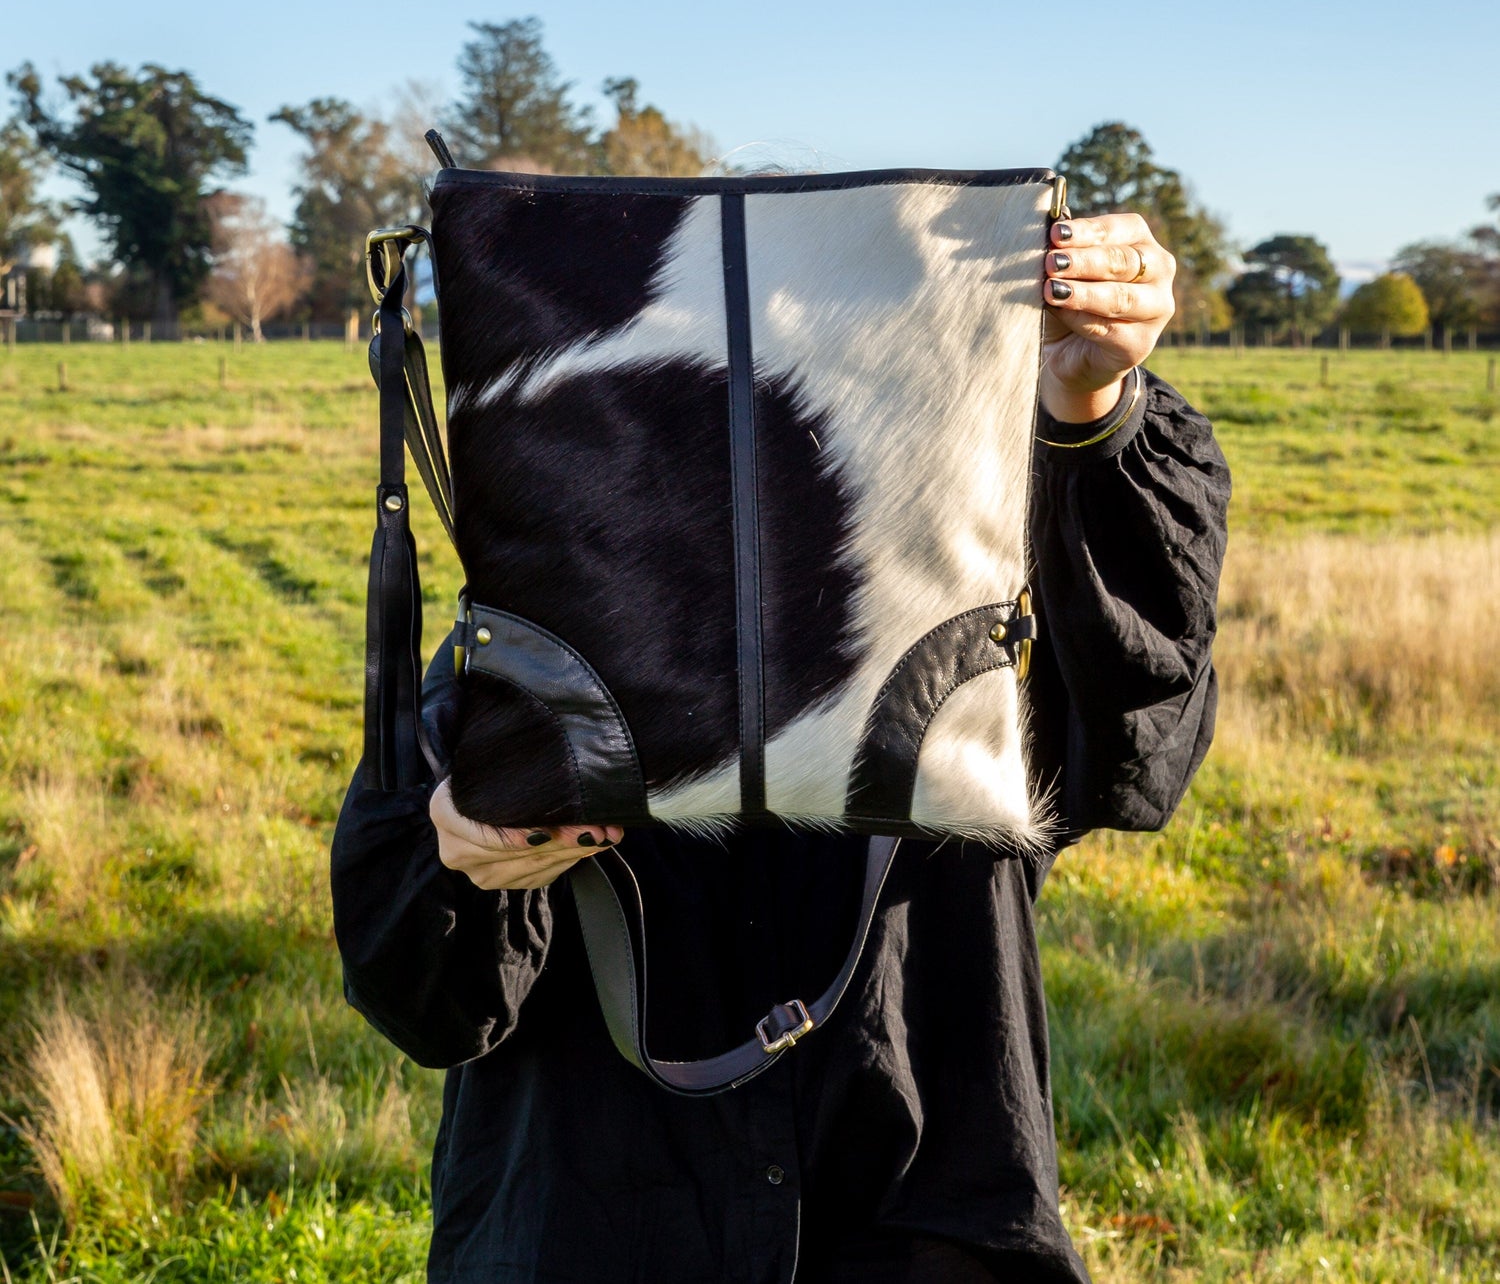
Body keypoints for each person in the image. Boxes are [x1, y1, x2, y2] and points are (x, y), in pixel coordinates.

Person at [331, 211, 1230, 1283]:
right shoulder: (536, 650)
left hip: (916, 1223)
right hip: (592, 1223)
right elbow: (419, 997)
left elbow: (1138, 740)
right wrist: (463, 872)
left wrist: (1089, 408)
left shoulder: (993, 607)